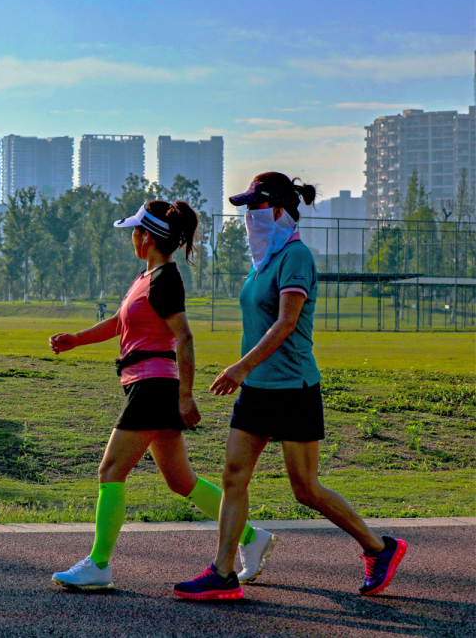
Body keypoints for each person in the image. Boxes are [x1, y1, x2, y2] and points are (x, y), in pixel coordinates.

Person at [174, 172, 407, 601]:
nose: (248, 214)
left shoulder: (296, 256)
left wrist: (240, 367)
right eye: (246, 207)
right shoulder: (262, 260)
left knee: (305, 489)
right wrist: (248, 374)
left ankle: (379, 547)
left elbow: (286, 323)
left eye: (255, 206)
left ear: (278, 209)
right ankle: (223, 573)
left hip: (293, 388)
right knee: (233, 476)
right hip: (258, 389)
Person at [49, 200, 275, 592]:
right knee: (181, 481)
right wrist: (76, 340)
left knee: (110, 471)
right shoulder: (146, 276)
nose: (131, 238)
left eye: (135, 231)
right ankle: (252, 537)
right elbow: (119, 322)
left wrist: (186, 397)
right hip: (147, 384)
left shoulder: (166, 278)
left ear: (147, 237)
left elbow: (184, 337)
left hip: (153, 386)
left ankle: (98, 563)